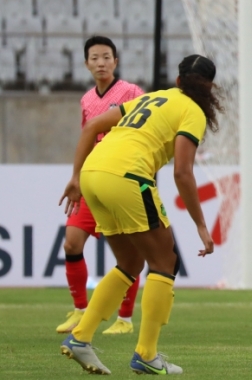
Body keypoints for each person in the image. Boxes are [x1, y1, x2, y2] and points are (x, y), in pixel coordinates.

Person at [58, 54, 223, 374]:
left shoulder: (154, 97)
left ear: (177, 81)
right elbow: (183, 174)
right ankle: (146, 354)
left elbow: (92, 125)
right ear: (210, 88)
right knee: (165, 262)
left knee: (131, 262)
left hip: (93, 173)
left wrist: (76, 176)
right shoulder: (194, 112)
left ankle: (81, 338)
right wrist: (202, 226)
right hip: (128, 177)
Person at [57, 35, 144, 335]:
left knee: (129, 253)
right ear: (86, 64)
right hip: (92, 180)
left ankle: (125, 319)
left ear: (116, 62)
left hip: (120, 180)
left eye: (106, 57)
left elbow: (143, 133)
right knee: (71, 242)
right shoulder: (86, 99)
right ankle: (80, 310)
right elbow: (86, 139)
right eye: (94, 57)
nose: (101, 62)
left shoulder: (132, 92)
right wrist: (76, 177)